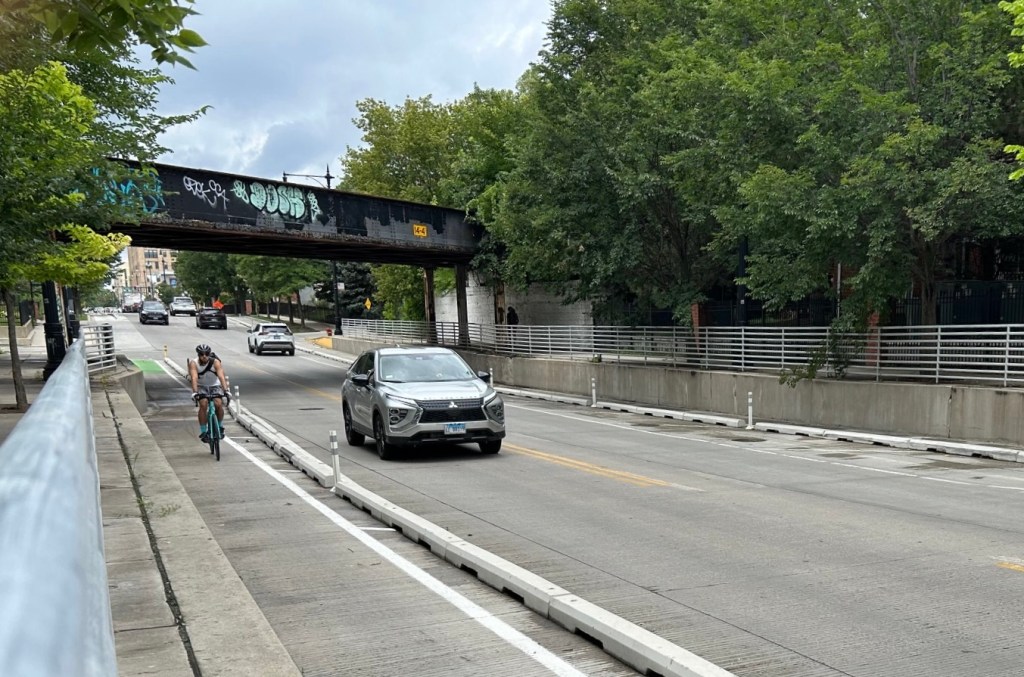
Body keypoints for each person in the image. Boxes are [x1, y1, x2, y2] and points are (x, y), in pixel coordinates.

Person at [188, 343, 230, 443]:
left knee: (218, 404)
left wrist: (226, 390)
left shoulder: (215, 362)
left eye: (207, 354)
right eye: (202, 354)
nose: (204, 356)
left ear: (209, 354)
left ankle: (219, 426)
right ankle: (204, 431)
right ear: (198, 355)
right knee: (203, 404)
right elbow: (194, 378)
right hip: (201, 386)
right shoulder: (193, 363)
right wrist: (195, 392)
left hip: (215, 386)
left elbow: (221, 377)